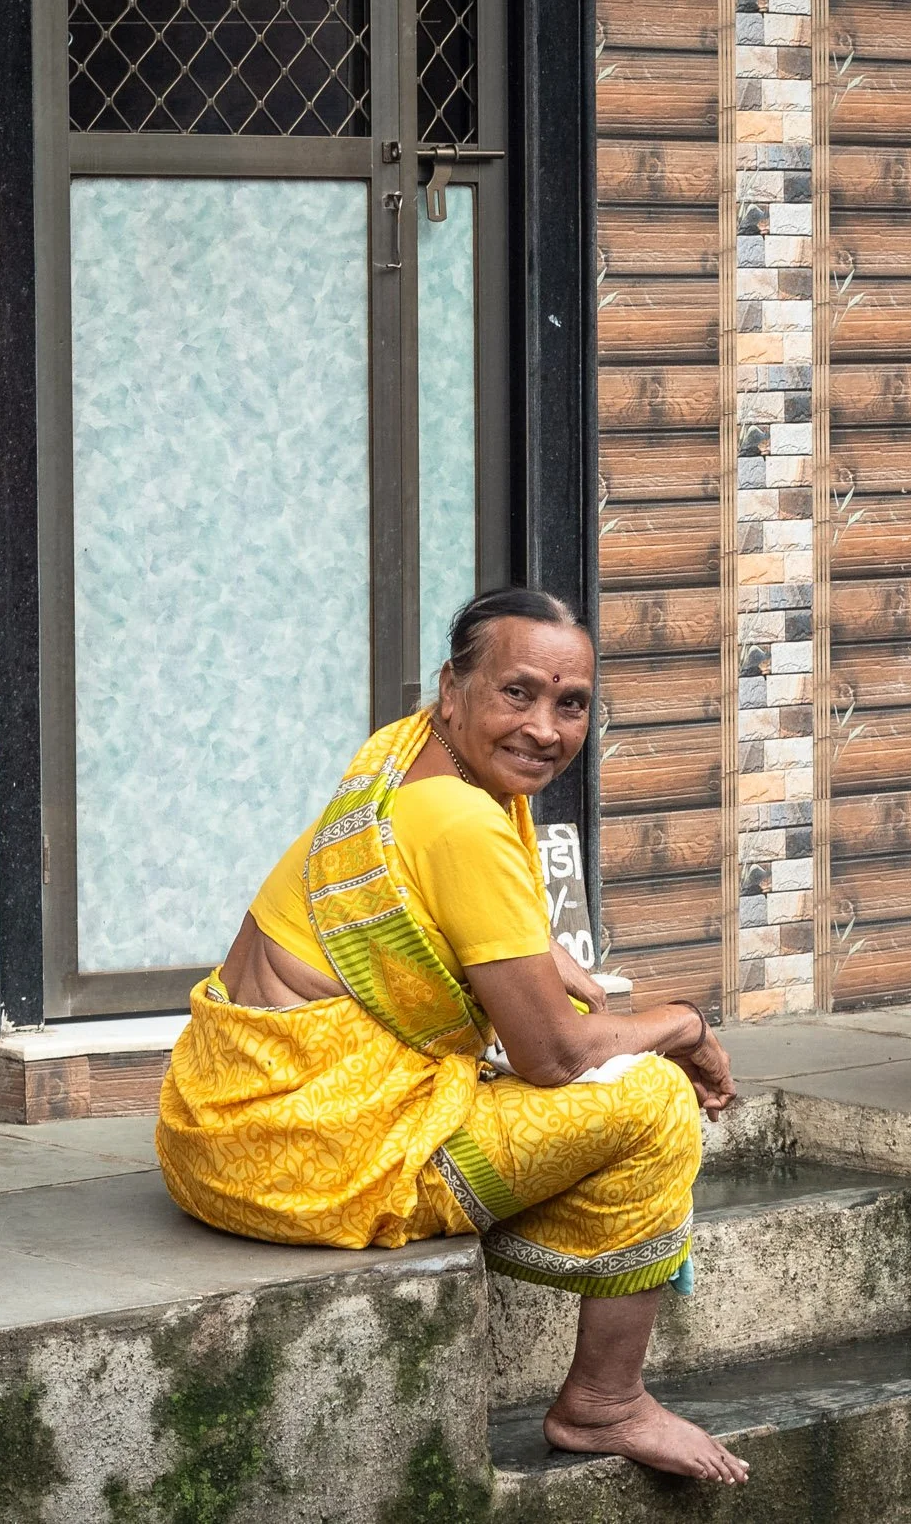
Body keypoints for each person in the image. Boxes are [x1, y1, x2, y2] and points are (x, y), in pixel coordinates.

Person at [156, 587, 749, 1485]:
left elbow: (421, 883)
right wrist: (687, 1026)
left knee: (574, 1048)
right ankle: (606, 1404)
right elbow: (553, 1057)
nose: (545, 728)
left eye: (572, 702)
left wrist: (534, 947)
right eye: (518, 693)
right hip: (306, 1162)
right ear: (454, 688)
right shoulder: (469, 821)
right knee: (656, 1099)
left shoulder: (407, 753)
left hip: (213, 1128)